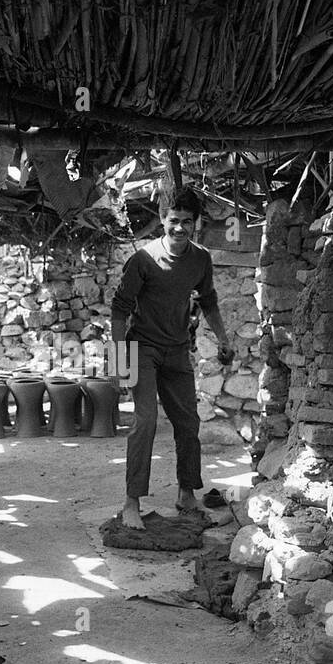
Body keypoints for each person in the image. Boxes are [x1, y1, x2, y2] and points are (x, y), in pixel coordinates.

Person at [108, 186, 233, 530]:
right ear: (162, 220)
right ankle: (131, 502)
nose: (180, 228)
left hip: (177, 350)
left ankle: (187, 495)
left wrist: (223, 338)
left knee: (189, 423)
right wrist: (119, 360)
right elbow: (119, 309)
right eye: (173, 220)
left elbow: (208, 300)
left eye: (187, 222)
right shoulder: (143, 260)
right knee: (145, 422)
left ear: (195, 224)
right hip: (141, 350)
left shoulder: (201, 259)